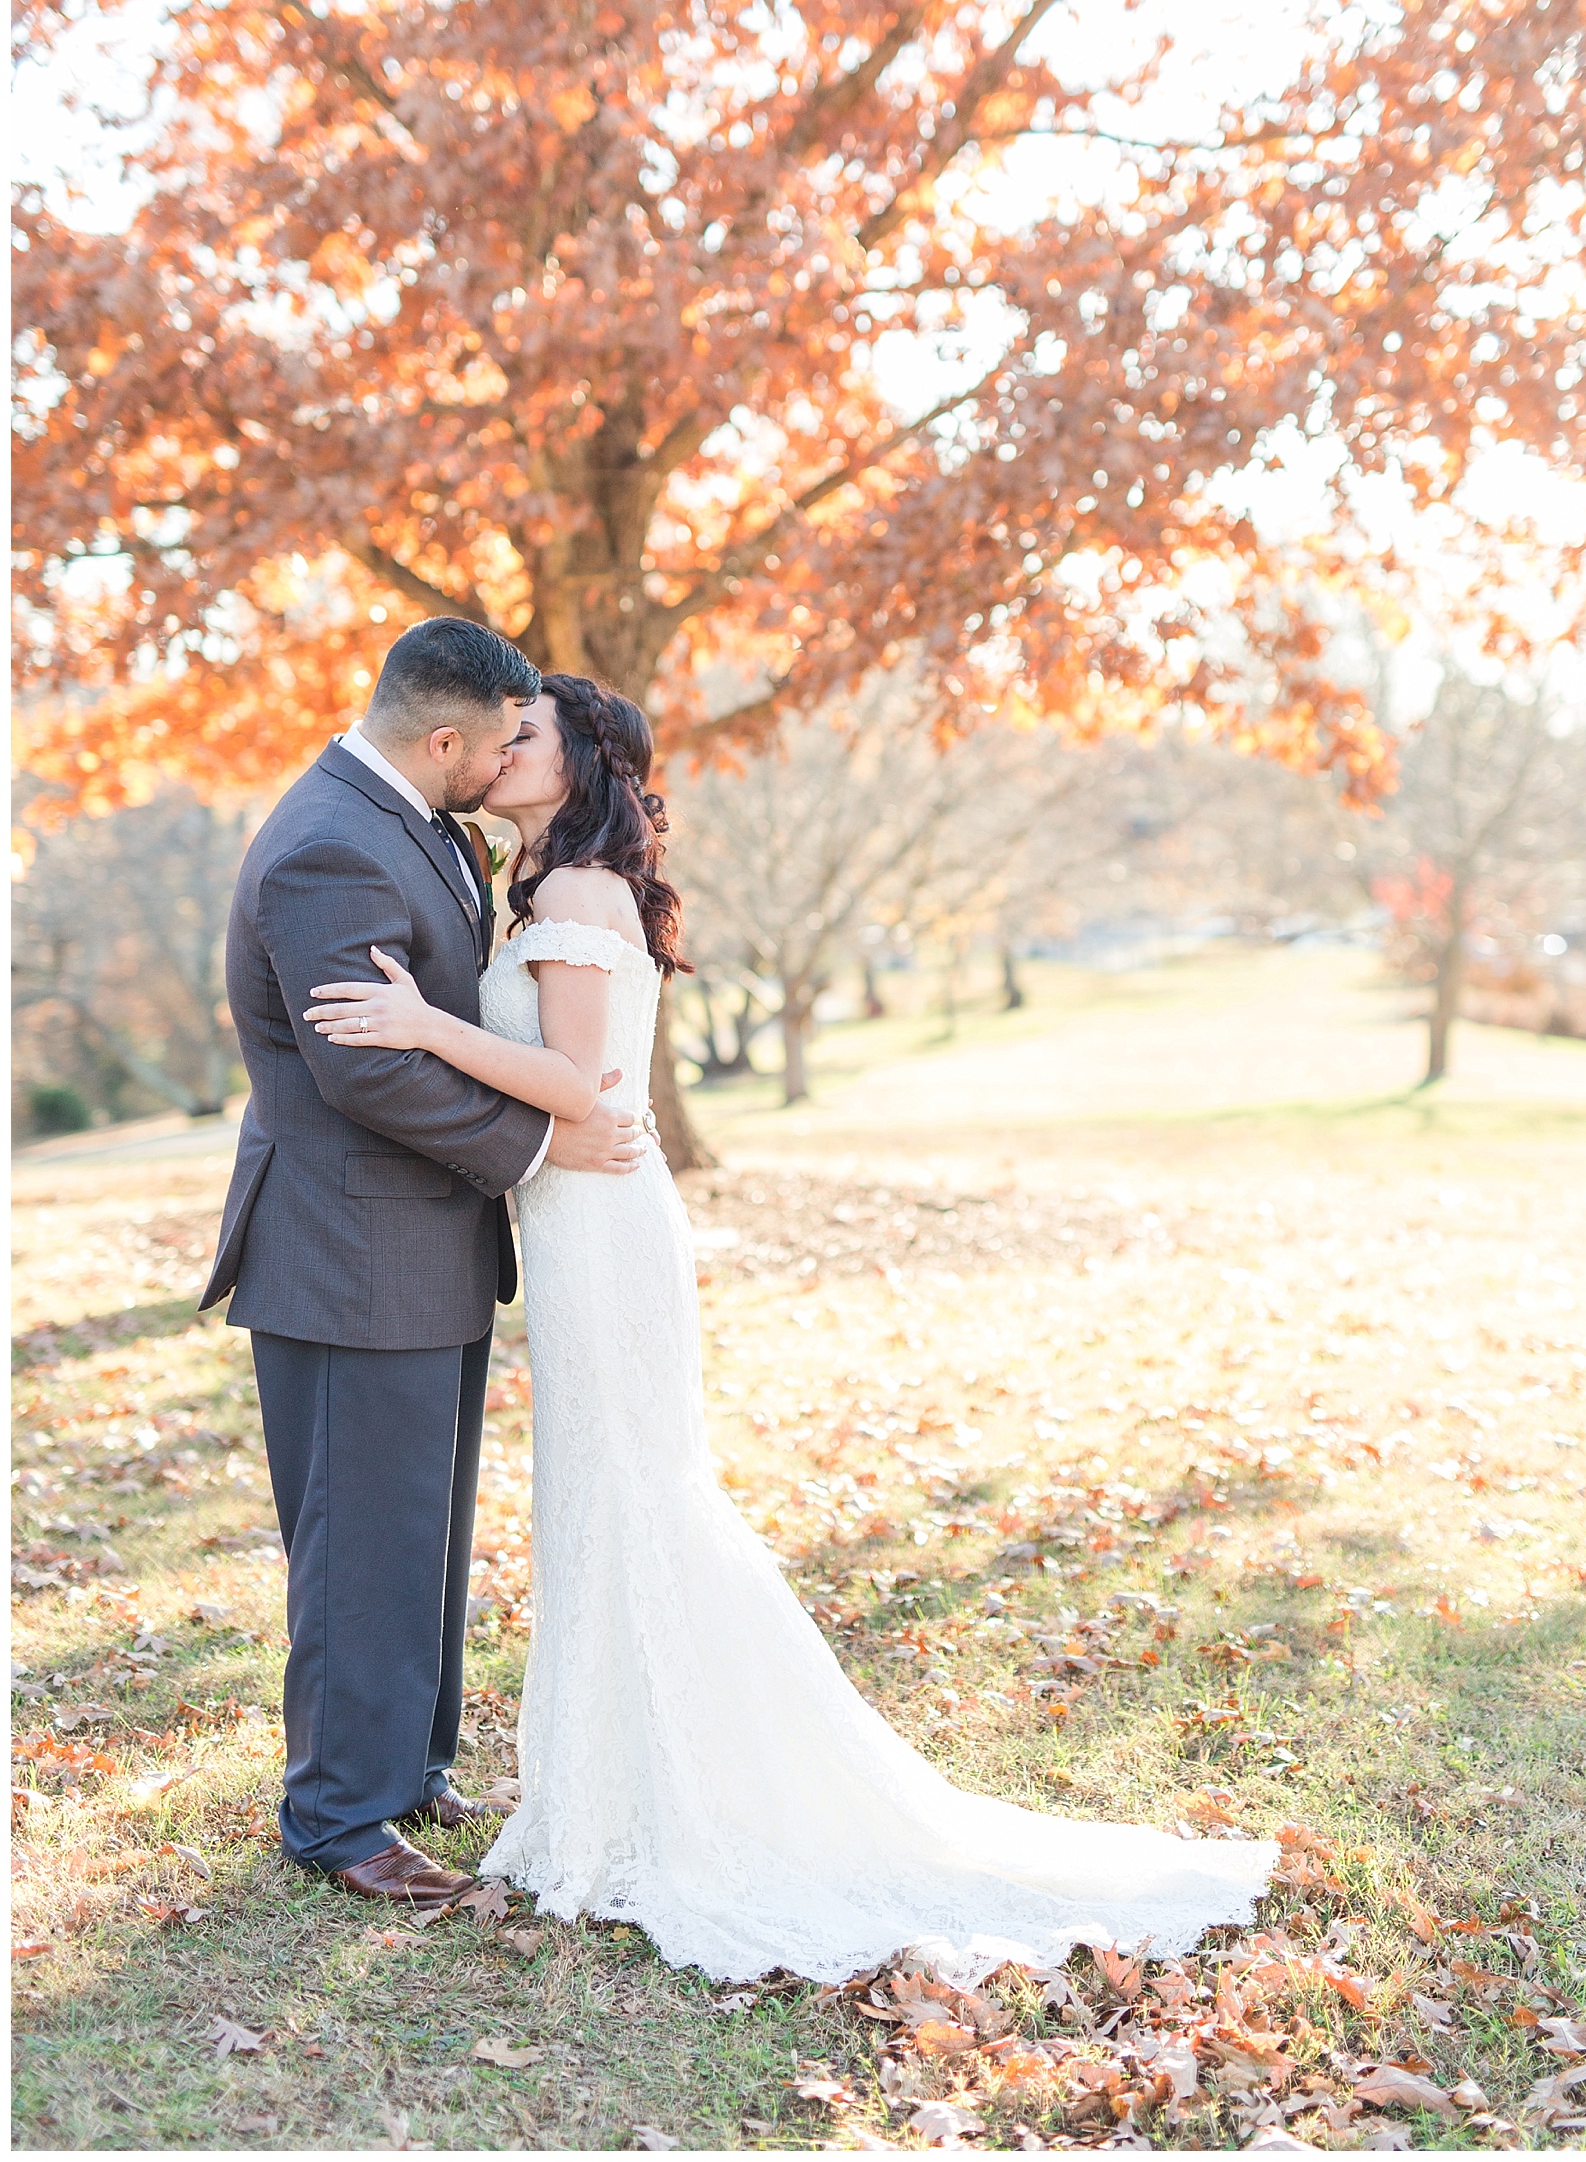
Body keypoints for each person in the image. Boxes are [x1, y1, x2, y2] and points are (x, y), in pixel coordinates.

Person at [304, 669, 1275, 1982]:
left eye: (523, 733)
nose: (498, 747)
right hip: (573, 1220)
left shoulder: (581, 895)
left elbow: (588, 1091)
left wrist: (419, 1022)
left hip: (603, 1230)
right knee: (600, 1494)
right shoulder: (528, 886)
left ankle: (675, 1800)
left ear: (580, 765)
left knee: (637, 1492)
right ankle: (609, 1785)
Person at [203, 620, 645, 1907]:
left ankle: (407, 1764)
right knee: (360, 1538)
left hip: (426, 1240)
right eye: (504, 739)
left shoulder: (425, 819)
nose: (515, 757)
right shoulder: (330, 842)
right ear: (444, 737)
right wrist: (545, 1139)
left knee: (425, 1532)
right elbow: (367, 1065)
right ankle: (340, 1816)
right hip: (347, 1250)